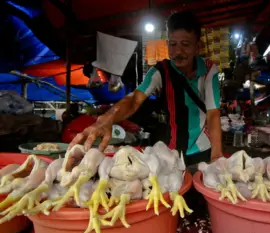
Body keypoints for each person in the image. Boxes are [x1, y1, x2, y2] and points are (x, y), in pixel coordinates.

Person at [69, 11, 222, 165]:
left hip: (202, 152)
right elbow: (134, 99)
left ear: (198, 47)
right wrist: (107, 118)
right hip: (170, 154)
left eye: (185, 45)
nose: (178, 52)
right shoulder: (160, 72)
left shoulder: (209, 71)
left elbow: (213, 114)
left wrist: (216, 157)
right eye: (173, 44)